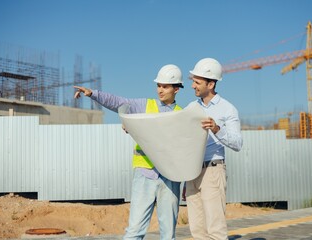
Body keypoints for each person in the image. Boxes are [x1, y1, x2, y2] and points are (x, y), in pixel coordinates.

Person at [74, 64, 184, 240]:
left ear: (176, 89)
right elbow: (118, 102)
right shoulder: (145, 105)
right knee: (134, 231)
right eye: (158, 85)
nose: (160, 90)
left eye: (165, 86)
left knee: (168, 233)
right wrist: (93, 94)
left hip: (170, 179)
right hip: (145, 174)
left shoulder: (181, 114)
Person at [186, 58, 243, 240]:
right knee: (197, 230)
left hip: (213, 170)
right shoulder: (191, 107)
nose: (193, 85)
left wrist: (217, 128)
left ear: (210, 84)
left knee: (215, 229)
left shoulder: (228, 109)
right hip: (193, 173)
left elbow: (237, 143)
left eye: (197, 82)